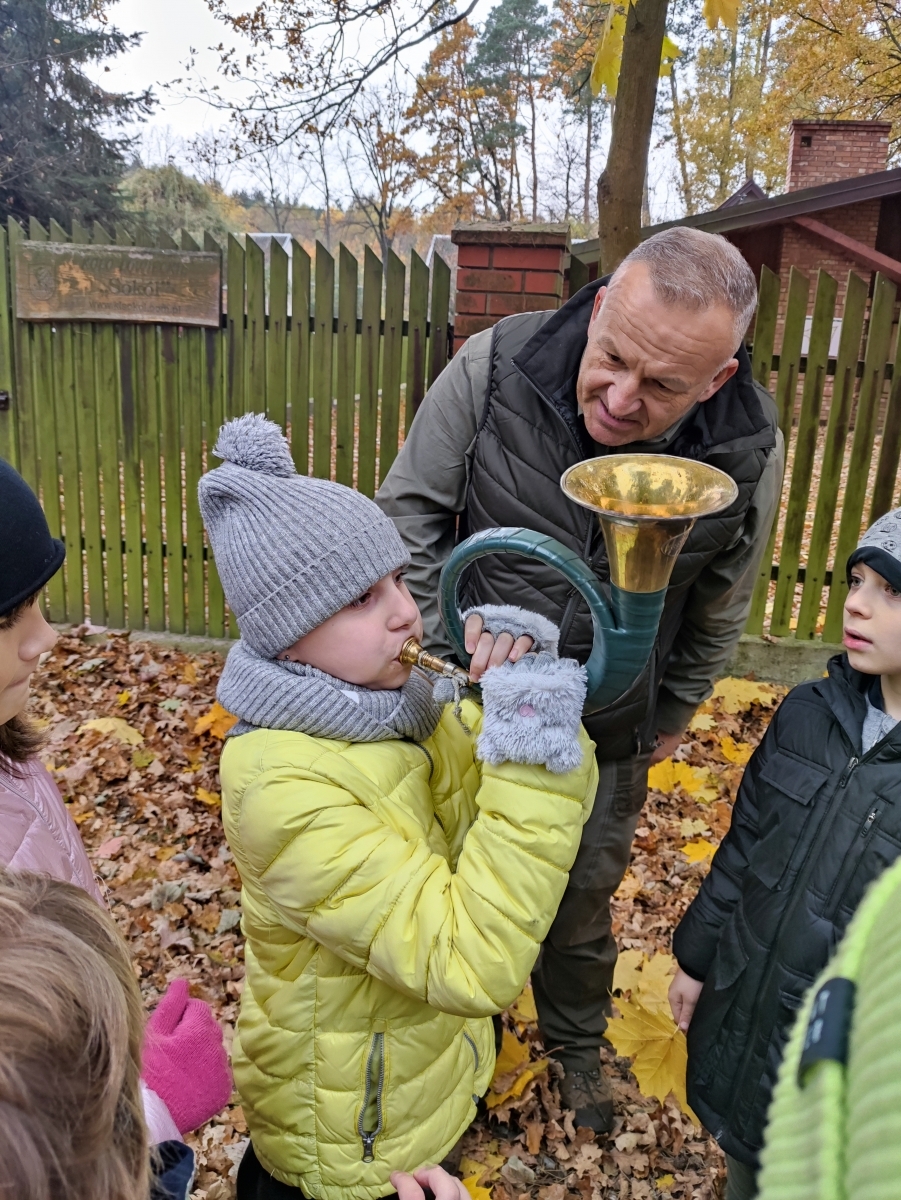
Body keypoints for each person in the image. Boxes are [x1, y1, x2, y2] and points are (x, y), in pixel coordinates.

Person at [376, 225, 784, 1129]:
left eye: (662, 386)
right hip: (467, 707)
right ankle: (449, 1056)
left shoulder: (748, 444)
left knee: (580, 901)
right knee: (449, 881)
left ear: (716, 378)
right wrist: (449, 649)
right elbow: (407, 517)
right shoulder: (496, 364)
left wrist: (673, 710)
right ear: (599, 309)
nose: (620, 397)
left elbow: (722, 601)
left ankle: (572, 1047)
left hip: (608, 724)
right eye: (612, 359)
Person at [197, 414, 598, 1200]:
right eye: (360, 599)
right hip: (347, 1146)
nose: (405, 613)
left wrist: (535, 699)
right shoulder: (279, 785)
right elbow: (471, 959)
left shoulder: (410, 704)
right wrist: (529, 747)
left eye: (395, 581)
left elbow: (551, 801)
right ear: (286, 640)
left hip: (421, 1087)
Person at [0, 455, 233, 1155]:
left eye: (38, 602)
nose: (45, 638)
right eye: (8, 617)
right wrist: (146, 1114)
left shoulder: (10, 753)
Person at [668, 507, 901, 1200]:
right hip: (751, 1014)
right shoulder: (807, 713)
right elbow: (744, 846)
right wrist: (697, 959)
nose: (855, 604)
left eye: (891, 591)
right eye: (856, 581)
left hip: (849, 1077)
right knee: (747, 1165)